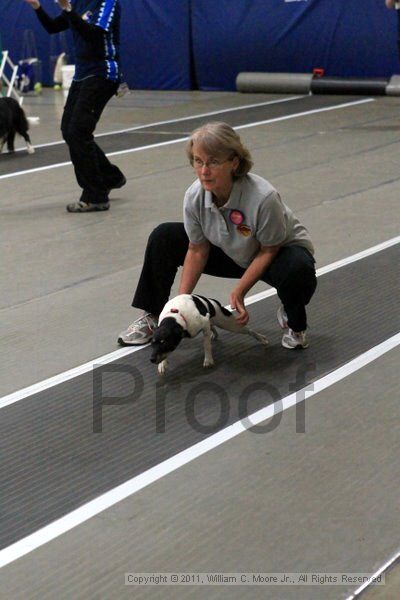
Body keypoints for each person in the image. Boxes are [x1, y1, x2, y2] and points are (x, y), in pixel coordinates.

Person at [118, 122, 317, 349]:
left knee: (296, 267)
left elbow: (268, 250)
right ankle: (154, 316)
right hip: (231, 250)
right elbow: (197, 249)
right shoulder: (194, 196)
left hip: (275, 254)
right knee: (164, 236)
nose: (204, 171)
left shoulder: (264, 197)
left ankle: (295, 323)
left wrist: (239, 291)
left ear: (234, 162)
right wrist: (182, 307)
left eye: (213, 162)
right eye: (198, 161)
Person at [24, 0, 126, 212]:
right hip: (82, 74)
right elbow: (53, 27)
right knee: (69, 130)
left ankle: (95, 196)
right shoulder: (78, 3)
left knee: (78, 131)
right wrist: (37, 7)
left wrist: (68, 10)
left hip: (103, 73)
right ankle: (109, 177)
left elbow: (94, 36)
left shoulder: (107, 3)